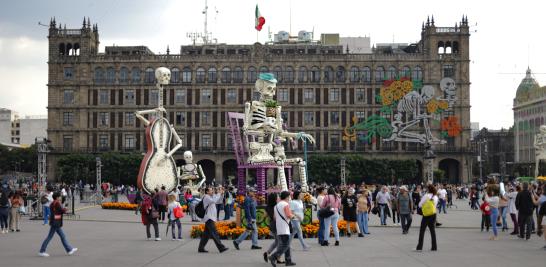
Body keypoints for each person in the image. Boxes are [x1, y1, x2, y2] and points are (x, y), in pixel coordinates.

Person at [38, 192, 77, 257]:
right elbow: (62, 211)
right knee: (50, 237)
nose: (61, 197)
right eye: (60, 196)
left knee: (62, 236)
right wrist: (65, 209)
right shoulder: (57, 203)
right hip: (56, 222)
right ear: (57, 197)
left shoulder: (53, 203)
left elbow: (56, 211)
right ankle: (42, 251)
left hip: (54, 221)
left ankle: (69, 250)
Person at [269, 191, 296, 267]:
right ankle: (273, 256)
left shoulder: (276, 206)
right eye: (289, 197)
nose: (289, 198)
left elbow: (274, 217)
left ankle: (288, 260)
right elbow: (288, 215)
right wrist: (294, 216)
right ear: (287, 197)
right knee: (286, 245)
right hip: (285, 227)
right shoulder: (286, 204)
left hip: (279, 227)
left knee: (285, 244)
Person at [198, 186, 228, 253]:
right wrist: (219, 193)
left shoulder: (210, 196)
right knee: (214, 233)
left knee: (206, 235)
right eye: (211, 190)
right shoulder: (206, 197)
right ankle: (221, 247)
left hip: (210, 217)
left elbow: (218, 201)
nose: (212, 191)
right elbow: (214, 200)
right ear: (207, 192)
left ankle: (201, 248)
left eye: (212, 190)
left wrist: (221, 194)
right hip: (209, 218)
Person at [416, 184, 438, 251]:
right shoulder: (436, 197)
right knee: (432, 231)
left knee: (422, 231)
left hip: (426, 215)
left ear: (428, 189)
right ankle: (434, 247)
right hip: (433, 214)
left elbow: (420, 204)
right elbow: (435, 205)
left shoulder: (426, 196)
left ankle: (419, 247)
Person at [264, 193, 284, 264]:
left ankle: (267, 252)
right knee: (280, 242)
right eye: (277, 197)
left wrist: (270, 217)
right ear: (275, 199)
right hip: (278, 225)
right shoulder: (277, 206)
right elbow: (276, 217)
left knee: (277, 241)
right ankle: (278, 258)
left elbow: (264, 215)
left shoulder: (267, 207)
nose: (278, 198)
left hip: (272, 225)